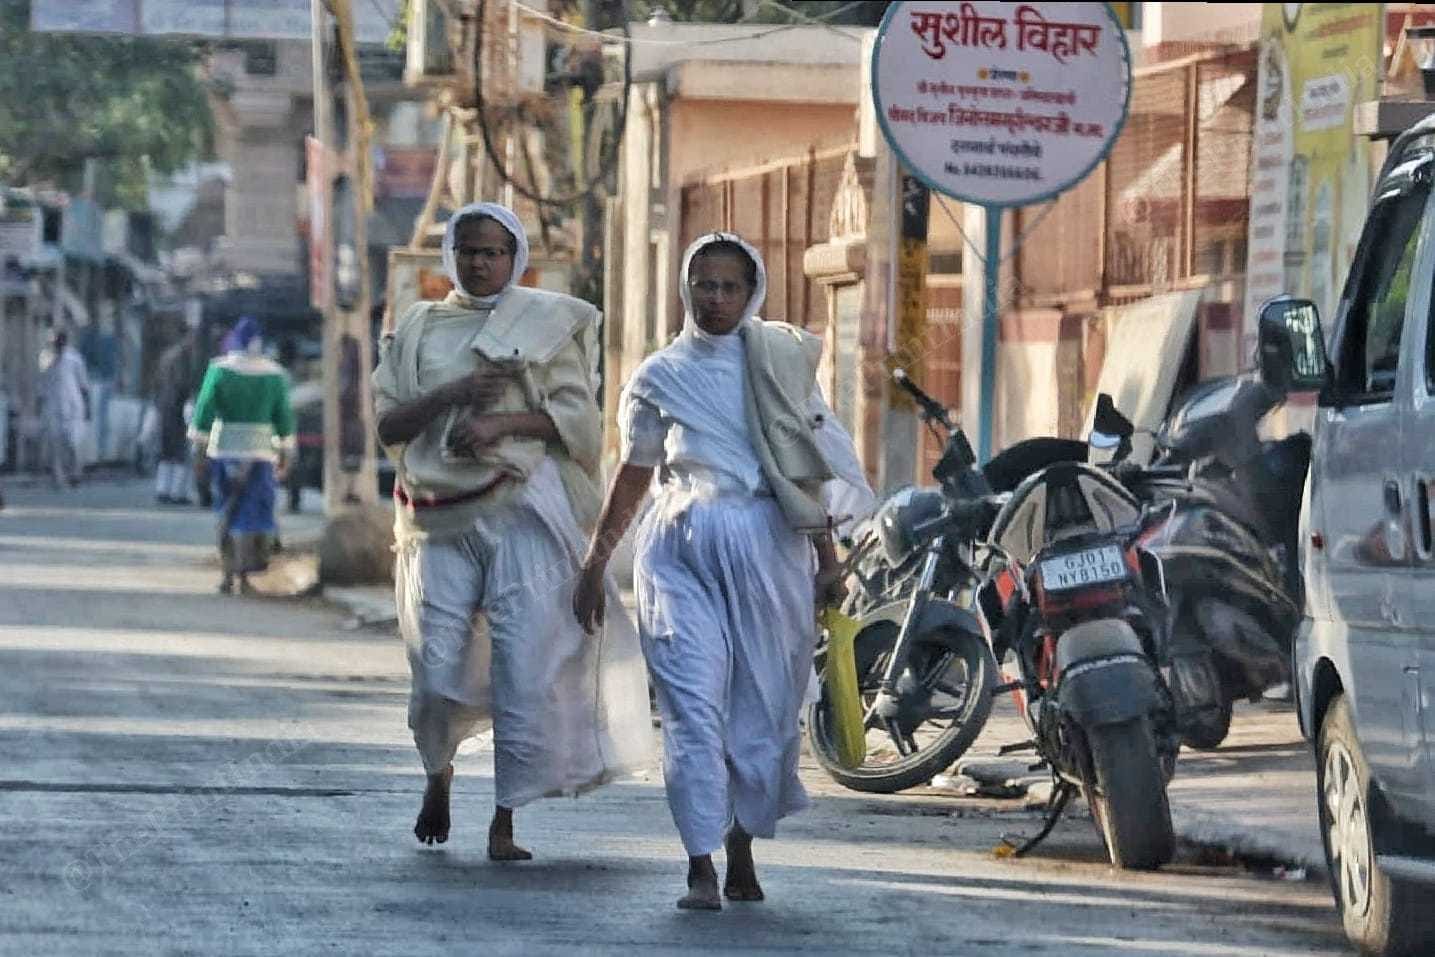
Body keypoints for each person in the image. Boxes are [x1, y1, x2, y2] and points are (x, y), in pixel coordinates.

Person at [573, 232, 873, 911]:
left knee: (761, 711)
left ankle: (740, 840)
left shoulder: (781, 366)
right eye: (702, 284)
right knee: (691, 709)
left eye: (728, 286)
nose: (714, 297)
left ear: (750, 293)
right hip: (679, 548)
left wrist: (828, 564)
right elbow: (635, 473)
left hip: (770, 548)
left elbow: (807, 472)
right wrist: (595, 562)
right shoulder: (657, 375)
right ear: (686, 289)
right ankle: (698, 861)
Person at [371, 201, 649, 859]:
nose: (479, 261)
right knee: (435, 669)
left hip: (525, 507)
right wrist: (455, 394)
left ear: (513, 257)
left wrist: (502, 425)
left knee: (522, 667)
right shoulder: (418, 326)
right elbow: (389, 426)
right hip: (435, 515)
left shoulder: (545, 322)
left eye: (493, 250)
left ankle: (504, 820)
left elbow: (579, 424)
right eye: (467, 249)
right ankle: (436, 773)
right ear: (451, 257)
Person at [189, 317, 295, 595]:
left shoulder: (219, 370)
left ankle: (227, 574)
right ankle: (247, 577)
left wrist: (198, 452)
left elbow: (203, 413)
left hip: (224, 451)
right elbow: (284, 419)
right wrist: (286, 451)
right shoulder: (274, 374)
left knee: (226, 510)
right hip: (260, 455)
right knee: (254, 516)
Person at [153, 332, 201, 505]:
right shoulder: (183, 357)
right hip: (177, 407)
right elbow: (183, 382)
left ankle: (162, 489)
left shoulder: (167, 356)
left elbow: (157, 381)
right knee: (180, 451)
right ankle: (177, 492)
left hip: (163, 405)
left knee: (165, 451)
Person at [39, 330, 90, 489]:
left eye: (59, 342)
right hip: (52, 405)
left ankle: (76, 472)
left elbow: (83, 384)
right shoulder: (46, 357)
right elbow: (41, 380)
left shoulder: (74, 358)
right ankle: (58, 477)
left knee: (72, 442)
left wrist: (88, 408)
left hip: (73, 405)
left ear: (64, 341)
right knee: (54, 442)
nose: (56, 345)